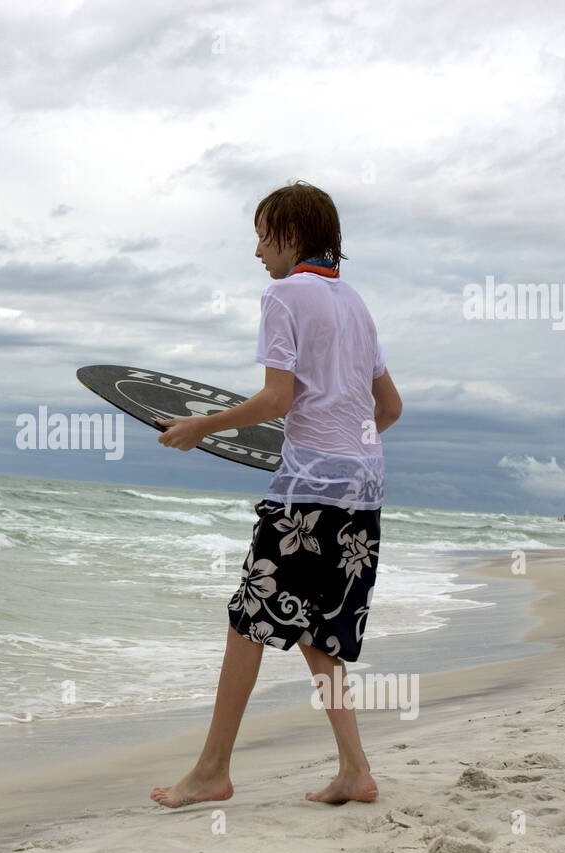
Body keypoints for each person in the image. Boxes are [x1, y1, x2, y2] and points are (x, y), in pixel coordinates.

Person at [152, 180, 398, 807]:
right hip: (363, 490)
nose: (258, 252)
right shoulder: (357, 305)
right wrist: (346, 441)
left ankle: (212, 771)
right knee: (320, 632)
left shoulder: (284, 294)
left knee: (248, 619)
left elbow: (277, 399)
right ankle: (355, 771)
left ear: (291, 237)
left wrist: (199, 427)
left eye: (263, 236)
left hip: (307, 492)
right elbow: (388, 407)